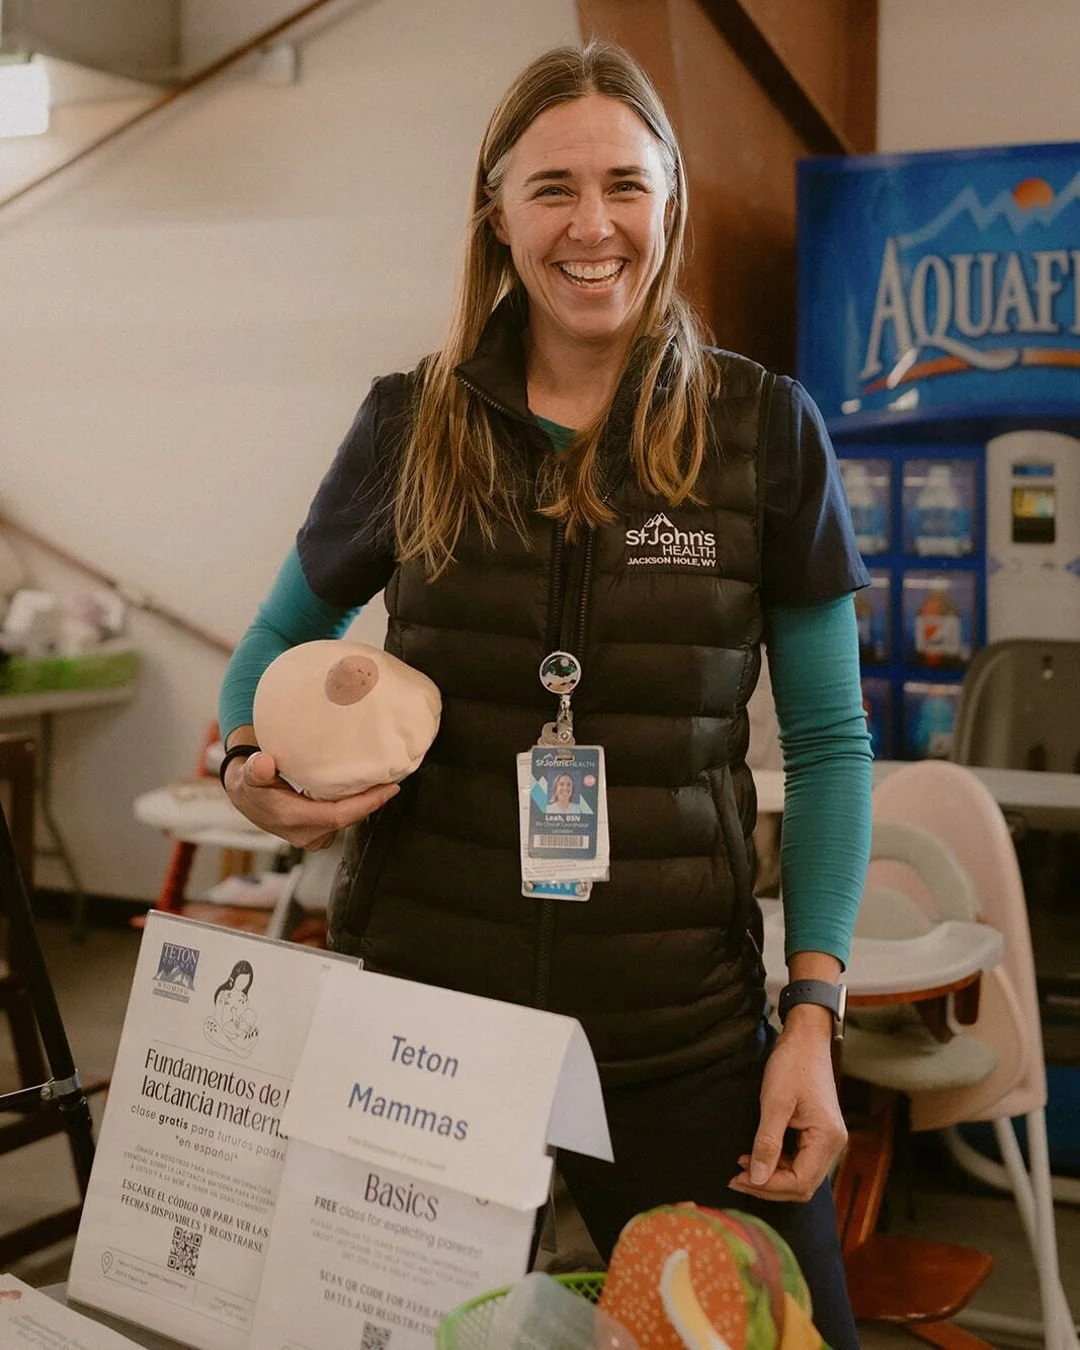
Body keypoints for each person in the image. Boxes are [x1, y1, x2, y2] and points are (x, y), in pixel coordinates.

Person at [218, 41, 871, 1348]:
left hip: (676, 1031)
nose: (592, 225)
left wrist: (812, 1015)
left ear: (669, 202)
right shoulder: (411, 423)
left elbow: (830, 742)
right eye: (553, 187)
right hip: (426, 1028)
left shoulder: (761, 430)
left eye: (625, 185)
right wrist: (251, 765)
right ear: (496, 211)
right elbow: (277, 643)